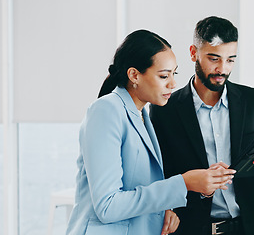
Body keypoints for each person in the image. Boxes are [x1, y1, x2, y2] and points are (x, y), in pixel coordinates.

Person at [66, 29, 235, 235]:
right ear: (134, 75)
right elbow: (107, 206)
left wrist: (163, 210)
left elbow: (137, 187)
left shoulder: (143, 114)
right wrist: (183, 183)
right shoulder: (107, 110)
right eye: (164, 75)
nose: (173, 84)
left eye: (174, 74)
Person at [150, 16, 254, 235]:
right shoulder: (165, 108)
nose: (222, 68)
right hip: (190, 229)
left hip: (251, 228)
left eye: (230, 60)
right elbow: (157, 175)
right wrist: (163, 207)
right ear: (194, 53)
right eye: (214, 59)